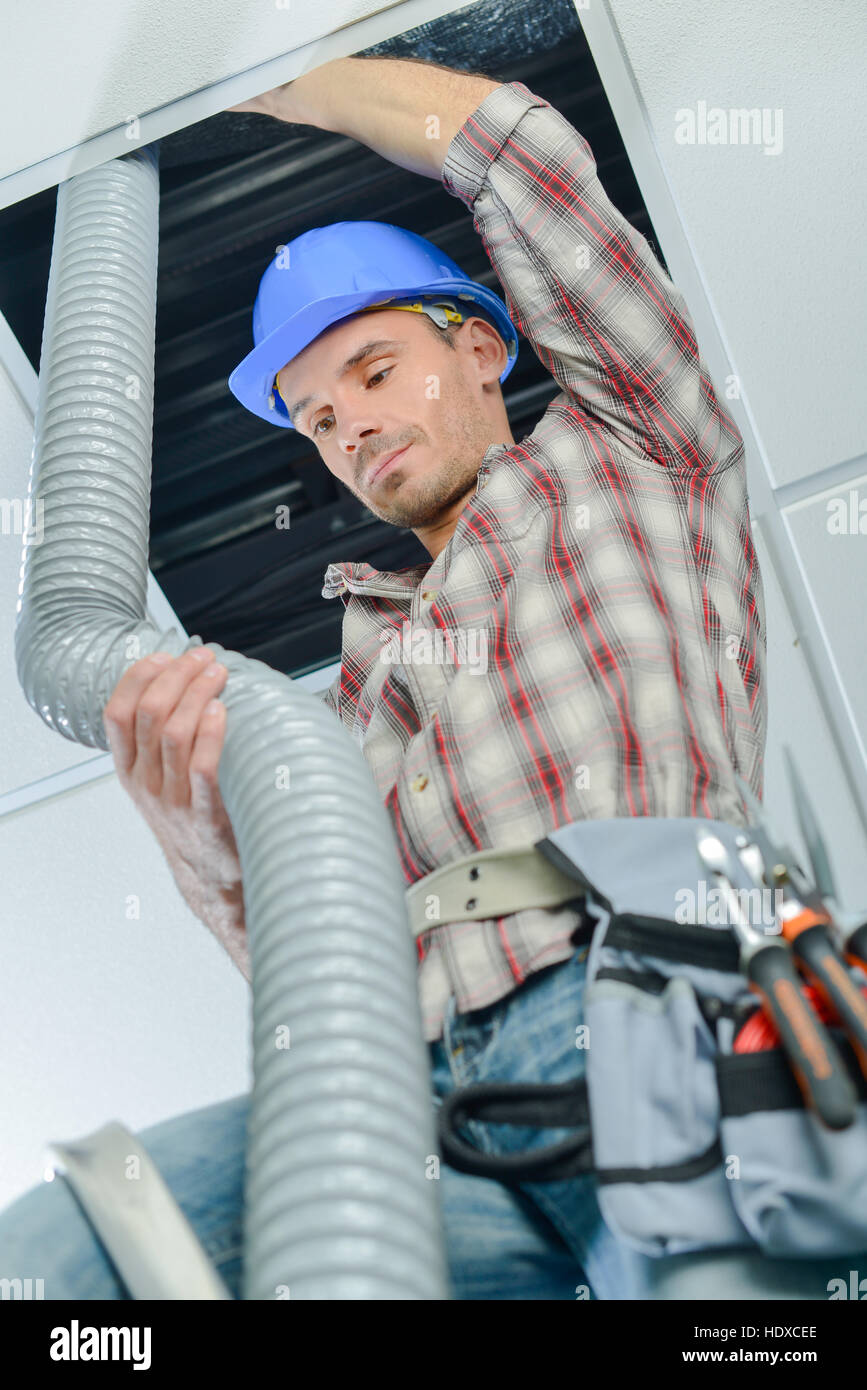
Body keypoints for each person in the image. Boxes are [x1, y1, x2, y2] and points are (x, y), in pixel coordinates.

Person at [2, 53, 794, 1300]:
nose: (349, 427)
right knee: (56, 1265)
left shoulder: (638, 452)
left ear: (482, 346)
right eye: (318, 419)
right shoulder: (347, 690)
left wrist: (251, 76)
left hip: (656, 993)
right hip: (415, 1103)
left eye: (371, 373)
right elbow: (309, 967)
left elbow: (523, 154)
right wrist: (195, 846)